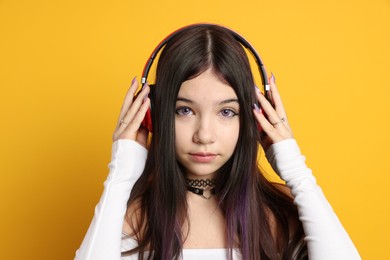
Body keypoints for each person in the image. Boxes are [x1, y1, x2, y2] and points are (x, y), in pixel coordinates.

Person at [75, 24, 360, 260]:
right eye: (184, 110)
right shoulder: (132, 219)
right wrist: (122, 172)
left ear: (253, 118)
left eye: (226, 112)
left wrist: (295, 170)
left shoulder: (278, 218)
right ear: (152, 115)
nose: (205, 135)